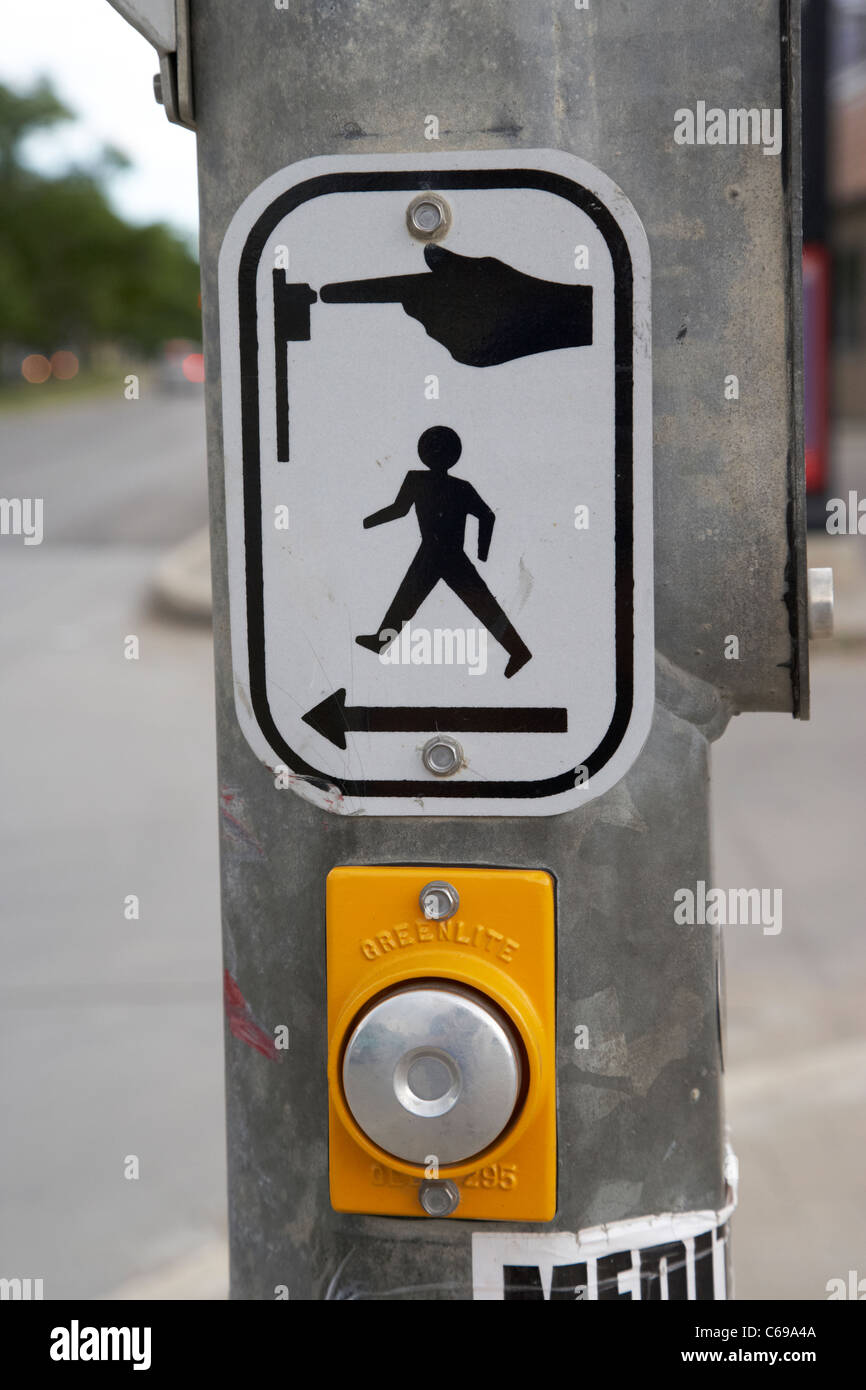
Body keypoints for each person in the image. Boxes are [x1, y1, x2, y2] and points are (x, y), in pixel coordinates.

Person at [356, 426, 532, 678]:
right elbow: (487, 516)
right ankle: (381, 641)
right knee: (410, 598)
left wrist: (367, 521)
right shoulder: (444, 484)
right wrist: (482, 551)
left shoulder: (422, 480)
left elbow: (399, 510)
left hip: (444, 554)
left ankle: (518, 651)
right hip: (438, 552)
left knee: (476, 604)